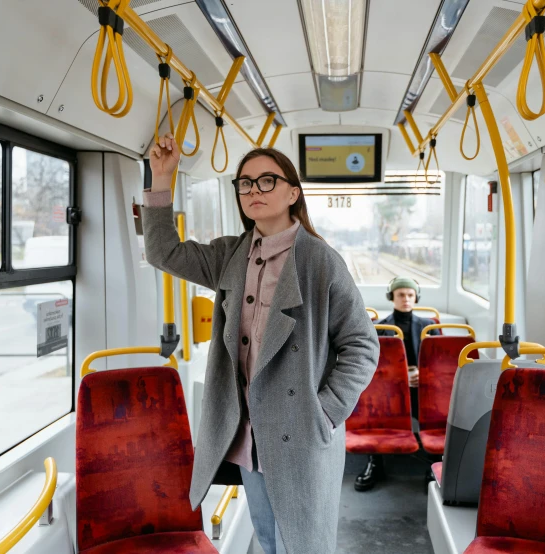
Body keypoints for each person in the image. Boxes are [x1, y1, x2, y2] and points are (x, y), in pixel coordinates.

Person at [142, 134, 379, 554]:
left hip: (303, 434)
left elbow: (361, 345)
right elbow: (164, 253)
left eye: (267, 180)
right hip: (251, 436)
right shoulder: (230, 256)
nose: (254, 190)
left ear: (293, 192)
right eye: (246, 183)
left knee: (306, 545)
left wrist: (324, 411)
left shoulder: (321, 262)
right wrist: (162, 177)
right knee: (267, 540)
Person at [354, 276, 441, 492]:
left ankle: (435, 460)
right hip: (390, 390)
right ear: (392, 297)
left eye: (410, 295)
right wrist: (399, 378)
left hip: (422, 387)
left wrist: (423, 374)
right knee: (375, 408)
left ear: (416, 298)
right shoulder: (380, 327)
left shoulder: (429, 326)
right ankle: (375, 462)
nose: (406, 299)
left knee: (437, 408)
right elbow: (373, 364)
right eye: (401, 295)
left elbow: (438, 361)